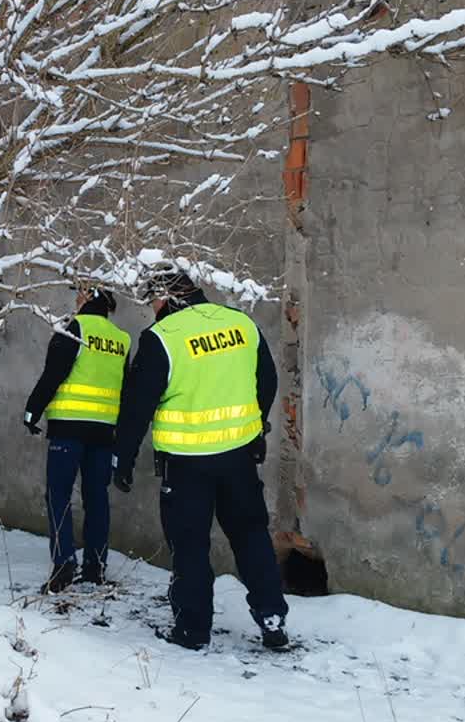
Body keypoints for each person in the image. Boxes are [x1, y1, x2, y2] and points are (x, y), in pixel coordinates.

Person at [112, 265, 290, 650]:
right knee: (251, 537)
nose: (152, 307)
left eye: (152, 300)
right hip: (239, 459)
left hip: (187, 465)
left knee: (191, 547)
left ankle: (192, 630)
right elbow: (268, 380)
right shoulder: (240, 323)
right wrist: (255, 429)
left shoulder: (162, 338)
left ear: (164, 297)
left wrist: (122, 459)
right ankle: (272, 619)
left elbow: (136, 407)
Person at [23, 285, 131, 592]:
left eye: (81, 294)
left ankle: (64, 564)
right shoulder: (121, 339)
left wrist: (32, 411)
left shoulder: (75, 329)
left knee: (59, 495)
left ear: (91, 299)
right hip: (103, 432)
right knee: (97, 498)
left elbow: (53, 374)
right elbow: (126, 389)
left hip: (68, 430)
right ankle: (95, 567)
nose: (76, 299)